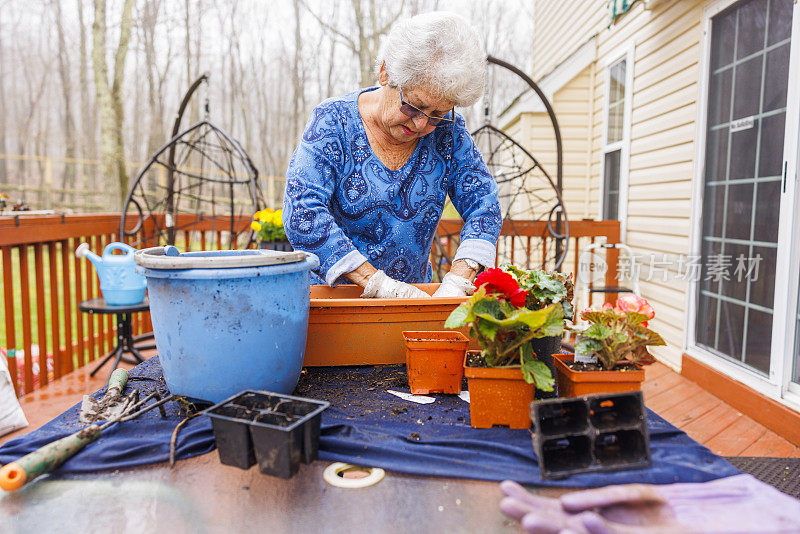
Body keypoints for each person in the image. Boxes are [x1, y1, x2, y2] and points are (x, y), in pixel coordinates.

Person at [283, 11, 502, 299]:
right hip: (331, 300)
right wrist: (377, 284)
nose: (422, 124)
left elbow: (484, 205)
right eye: (414, 106)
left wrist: (459, 279)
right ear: (386, 73)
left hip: (414, 300)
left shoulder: (449, 134)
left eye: (438, 114)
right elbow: (303, 212)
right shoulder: (333, 122)